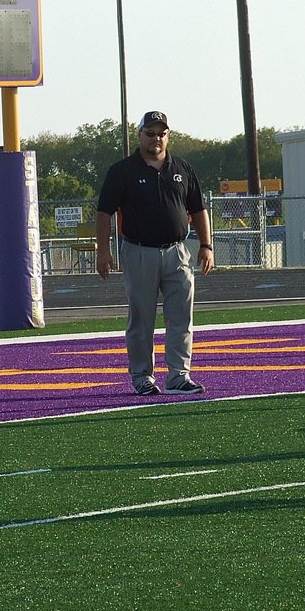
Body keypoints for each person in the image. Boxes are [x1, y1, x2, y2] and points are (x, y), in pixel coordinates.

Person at [95, 110, 214, 396]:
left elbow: (198, 209)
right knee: (142, 318)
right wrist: (103, 250)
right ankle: (142, 376)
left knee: (181, 317)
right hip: (139, 252)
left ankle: (178, 375)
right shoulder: (123, 171)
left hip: (178, 251)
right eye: (150, 133)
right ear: (140, 135)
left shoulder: (182, 168)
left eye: (161, 134)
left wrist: (206, 245)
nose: (156, 139)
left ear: (168, 136)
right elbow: (104, 212)